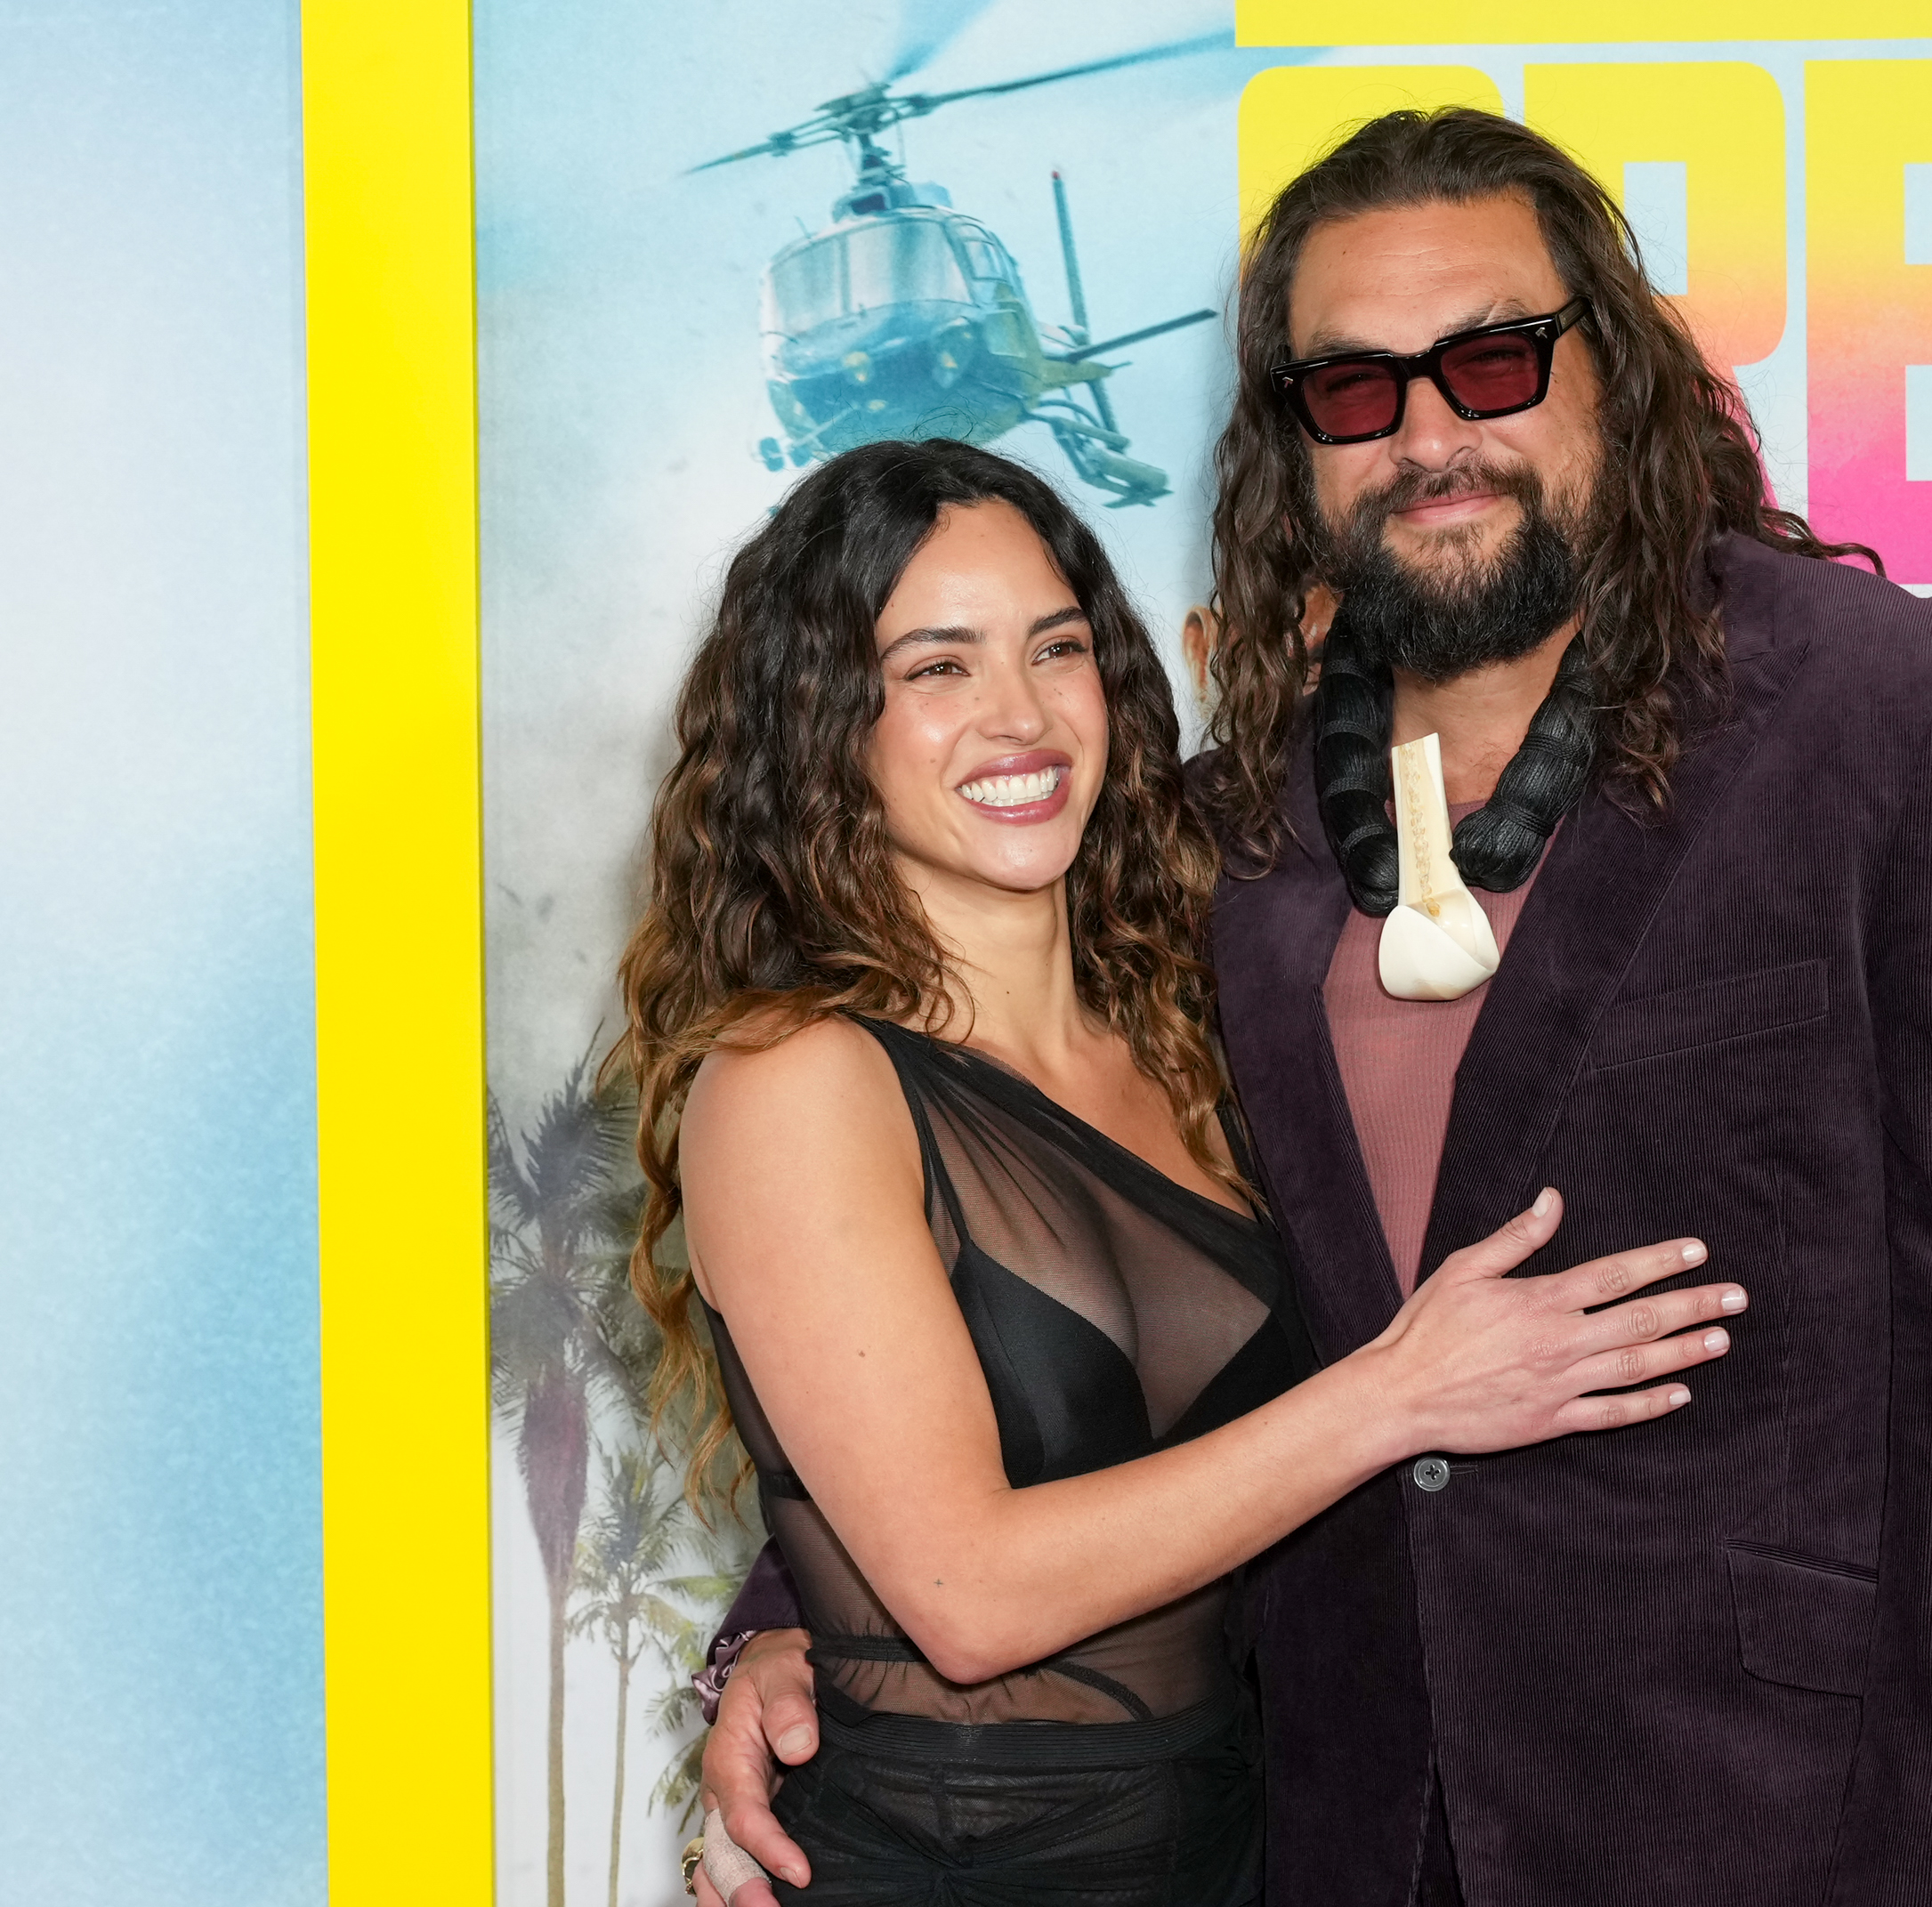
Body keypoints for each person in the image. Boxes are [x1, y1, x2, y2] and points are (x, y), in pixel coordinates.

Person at [701, 108, 1932, 1905]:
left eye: (1492, 361)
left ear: (1614, 378)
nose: (1430, 436)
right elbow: (1052, 1283)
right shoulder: (1222, 837)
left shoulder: (1912, 722)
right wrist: (803, 1622)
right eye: (1356, 392)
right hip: (1337, 1831)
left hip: (1766, 1837)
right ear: (1293, 451)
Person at [619, 435, 1745, 1906]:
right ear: (823, 723)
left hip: (1241, 1840)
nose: (1018, 716)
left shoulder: (1186, 1022)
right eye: (937, 668)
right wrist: (1405, 1389)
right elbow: (964, 1598)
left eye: (1056, 647)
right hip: (954, 1866)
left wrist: (778, 1637)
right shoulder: (793, 1081)